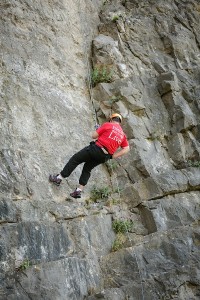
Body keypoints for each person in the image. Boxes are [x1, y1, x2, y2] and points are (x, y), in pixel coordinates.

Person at [49, 113, 130, 198]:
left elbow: (93, 136)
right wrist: (113, 156)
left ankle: (59, 178)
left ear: (111, 119)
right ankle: (78, 191)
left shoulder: (108, 125)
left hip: (96, 149)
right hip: (104, 156)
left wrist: (98, 130)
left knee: (75, 159)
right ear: (119, 122)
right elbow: (127, 148)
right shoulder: (122, 135)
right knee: (87, 169)